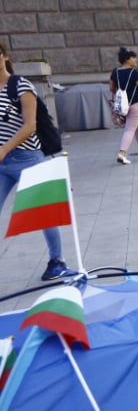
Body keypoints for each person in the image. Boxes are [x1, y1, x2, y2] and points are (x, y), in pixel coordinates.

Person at [0, 40, 73, 281]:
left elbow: (30, 126)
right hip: (1, 161)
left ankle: (57, 261)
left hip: (27, 157)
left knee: (43, 212)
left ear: (4, 57)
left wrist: (5, 149)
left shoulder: (20, 85)